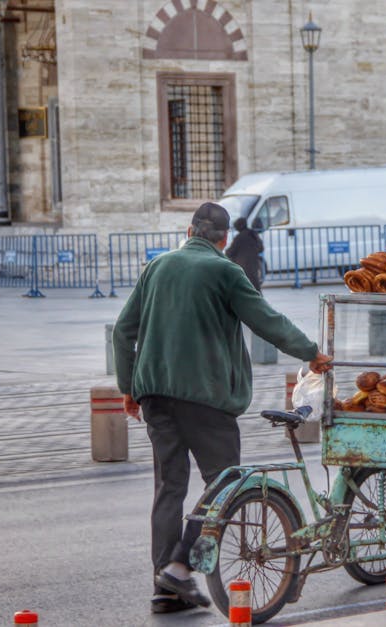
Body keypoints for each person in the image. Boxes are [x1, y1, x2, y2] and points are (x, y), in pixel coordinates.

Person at [112, 202, 333, 614]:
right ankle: (179, 568)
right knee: (224, 487)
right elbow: (266, 320)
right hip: (206, 400)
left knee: (169, 489)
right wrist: (311, 353)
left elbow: (123, 332)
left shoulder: (158, 267)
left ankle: (165, 589)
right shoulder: (225, 271)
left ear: (189, 229)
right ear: (224, 239)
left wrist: (128, 388)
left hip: (155, 397)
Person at [226, 216, 265, 289]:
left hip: (242, 265)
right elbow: (261, 248)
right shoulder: (253, 234)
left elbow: (231, 252)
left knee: (244, 285)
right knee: (255, 284)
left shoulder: (239, 237)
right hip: (254, 263)